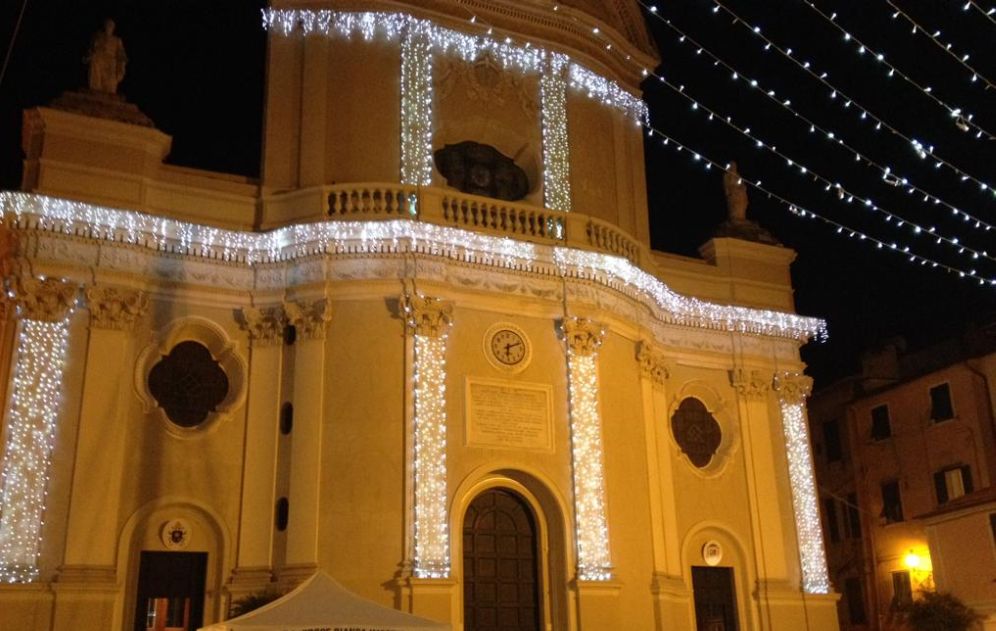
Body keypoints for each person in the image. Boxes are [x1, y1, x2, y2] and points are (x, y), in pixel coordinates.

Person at [86, 19, 127, 94]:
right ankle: (95, 90)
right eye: (107, 25)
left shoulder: (117, 40)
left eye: (111, 26)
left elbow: (121, 56)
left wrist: (121, 69)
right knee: (95, 62)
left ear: (113, 28)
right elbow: (91, 50)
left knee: (109, 87)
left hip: (111, 63)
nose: (109, 27)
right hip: (99, 60)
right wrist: (89, 56)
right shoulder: (98, 37)